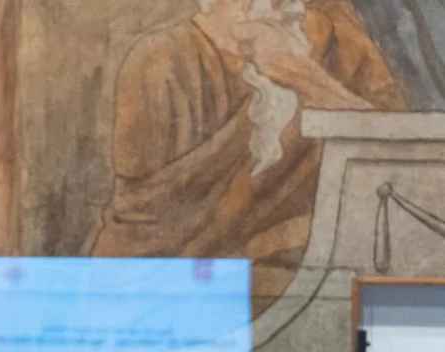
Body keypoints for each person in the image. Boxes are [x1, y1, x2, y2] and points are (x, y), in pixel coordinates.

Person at [89, 0, 403, 296]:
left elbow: (404, 167)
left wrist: (303, 75)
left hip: (320, 283)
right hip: (187, 291)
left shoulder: (339, 36)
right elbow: (144, 229)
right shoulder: (161, 60)